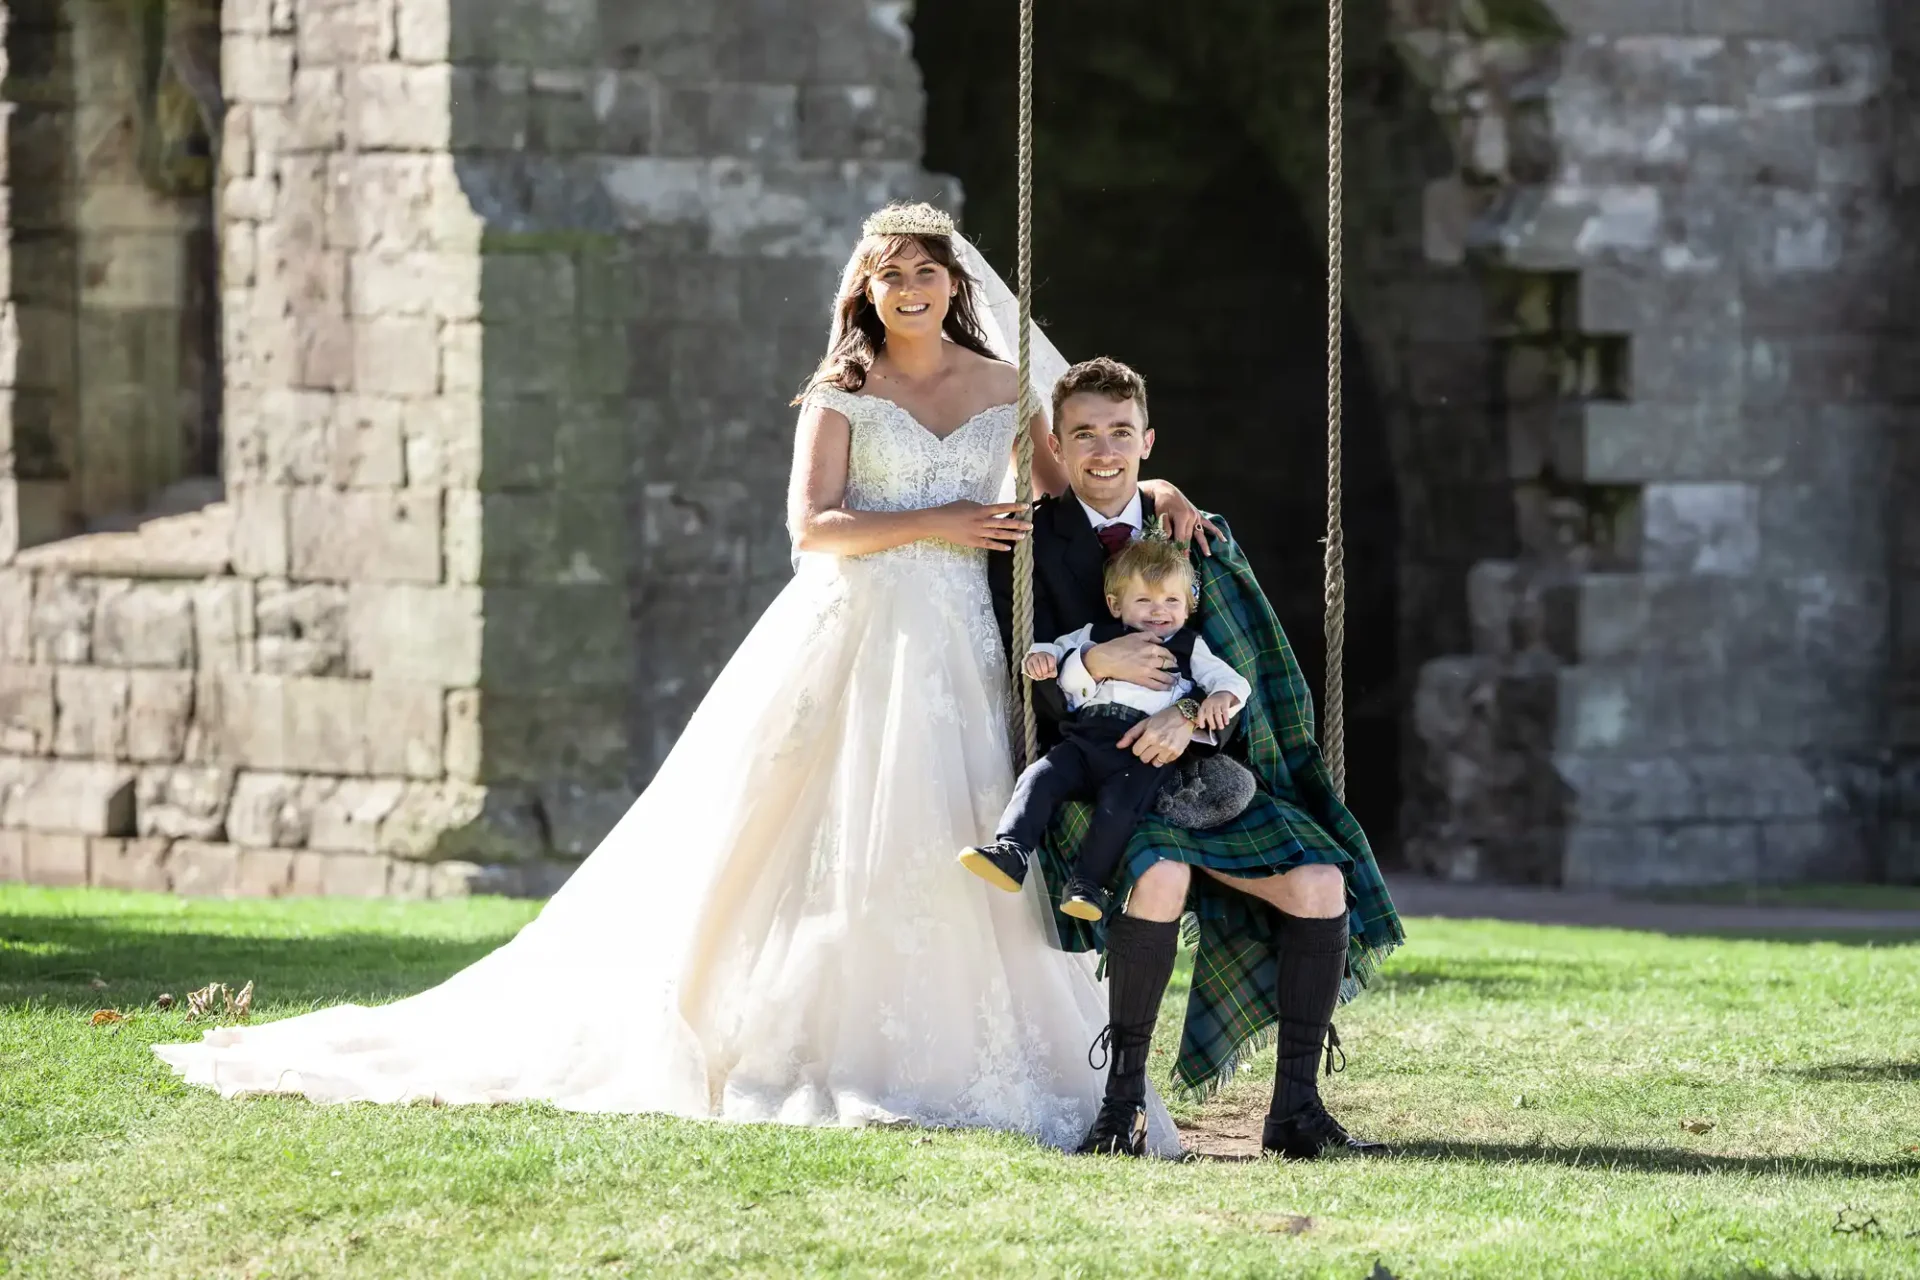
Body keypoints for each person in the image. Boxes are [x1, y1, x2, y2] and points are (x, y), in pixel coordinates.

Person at [151, 203, 1214, 1157]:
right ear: (867, 292)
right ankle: (796, 1029)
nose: (910, 290)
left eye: (925, 273)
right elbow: (813, 526)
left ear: (953, 282)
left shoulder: (1001, 386)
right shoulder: (842, 390)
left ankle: (973, 1039)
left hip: (960, 642)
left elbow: (1074, 476)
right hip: (856, 624)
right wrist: (940, 521)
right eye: (890, 276)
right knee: (815, 824)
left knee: (958, 814)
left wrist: (1151, 479)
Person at [987, 357, 1406, 1159]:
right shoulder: (1030, 544)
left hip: (1203, 766)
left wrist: (1188, 718)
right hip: (1101, 772)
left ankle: (1296, 1113)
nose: (1103, 451)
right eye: (1084, 435)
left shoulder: (1190, 531)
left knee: (1321, 883)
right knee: (1164, 876)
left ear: (1146, 440)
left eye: (1119, 433)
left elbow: (1240, 661)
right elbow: (1028, 678)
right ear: (1058, 444)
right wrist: (1095, 669)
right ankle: (1122, 1109)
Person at [962, 536, 1250, 922]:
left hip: (1140, 754)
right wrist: (1042, 659)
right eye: (1144, 600)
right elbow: (1051, 652)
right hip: (1084, 742)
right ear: (1116, 604)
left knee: (1118, 811)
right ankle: (1010, 850)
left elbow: (1234, 684)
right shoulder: (1093, 635)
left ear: (1188, 607)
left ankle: (1088, 885)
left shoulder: (1189, 646)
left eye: (1171, 601)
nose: (1158, 612)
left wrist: (1217, 700)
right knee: (1039, 777)